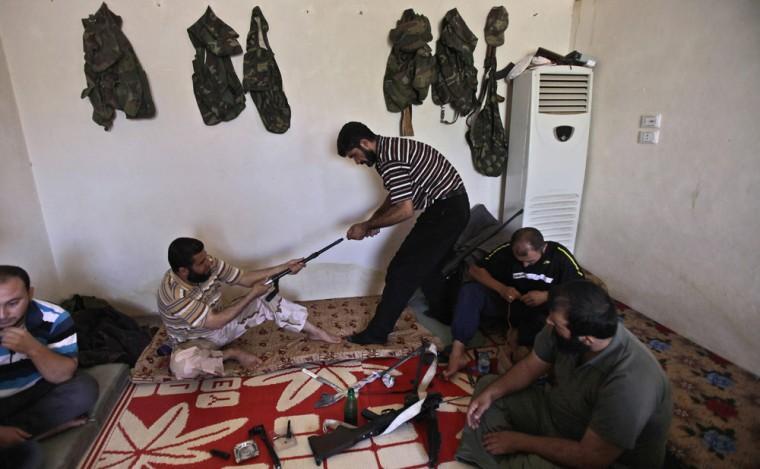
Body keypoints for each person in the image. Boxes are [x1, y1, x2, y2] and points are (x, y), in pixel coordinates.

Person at [457, 280, 672, 469]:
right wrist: (492, 394)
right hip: (558, 416)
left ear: (586, 339)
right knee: (488, 390)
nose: (549, 322)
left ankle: (502, 459)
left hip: (598, 455)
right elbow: (531, 367)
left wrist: (520, 441)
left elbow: (592, 459)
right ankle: (509, 461)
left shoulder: (630, 382)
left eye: (556, 323)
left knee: (536, 465)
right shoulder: (564, 332)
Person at [336, 121, 470, 344]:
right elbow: (397, 195)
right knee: (431, 266)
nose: (357, 161)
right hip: (451, 207)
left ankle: (377, 333)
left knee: (401, 271)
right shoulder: (391, 150)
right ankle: (445, 314)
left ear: (365, 143)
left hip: (447, 210)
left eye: (354, 155)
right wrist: (374, 221)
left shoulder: (388, 159)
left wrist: (366, 226)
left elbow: (405, 210)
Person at [157, 237, 340, 379]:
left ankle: (314, 331)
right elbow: (213, 322)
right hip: (196, 341)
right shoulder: (173, 294)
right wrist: (251, 294)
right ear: (183, 271)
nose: (209, 263)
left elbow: (244, 278)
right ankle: (231, 353)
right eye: (201, 263)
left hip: (223, 322)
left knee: (265, 298)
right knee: (182, 367)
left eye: (206, 258)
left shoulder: (209, 263)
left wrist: (285, 267)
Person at [444, 227, 584, 378]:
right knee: (470, 291)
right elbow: (475, 270)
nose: (525, 266)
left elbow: (581, 288)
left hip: (541, 310)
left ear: (543, 248)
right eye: (520, 262)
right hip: (510, 303)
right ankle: (457, 352)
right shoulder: (506, 251)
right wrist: (502, 289)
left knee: (543, 330)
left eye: (530, 261)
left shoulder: (559, 255)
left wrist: (547, 296)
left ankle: (521, 344)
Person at [0, 265, 98, 469]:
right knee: (29, 457)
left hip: (37, 390)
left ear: (30, 293)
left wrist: (33, 348)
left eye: (13, 303)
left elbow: (63, 376)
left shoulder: (54, 318)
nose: (2, 314)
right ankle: (32, 434)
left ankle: (14, 437)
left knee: (83, 389)